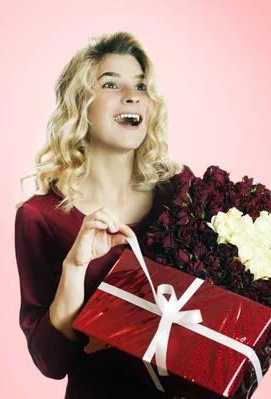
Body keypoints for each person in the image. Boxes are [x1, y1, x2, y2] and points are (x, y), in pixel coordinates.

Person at [14, 31, 192, 399]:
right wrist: (74, 268)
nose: (132, 95)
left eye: (140, 86)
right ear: (81, 104)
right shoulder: (40, 216)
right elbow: (50, 361)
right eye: (111, 84)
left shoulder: (180, 194)